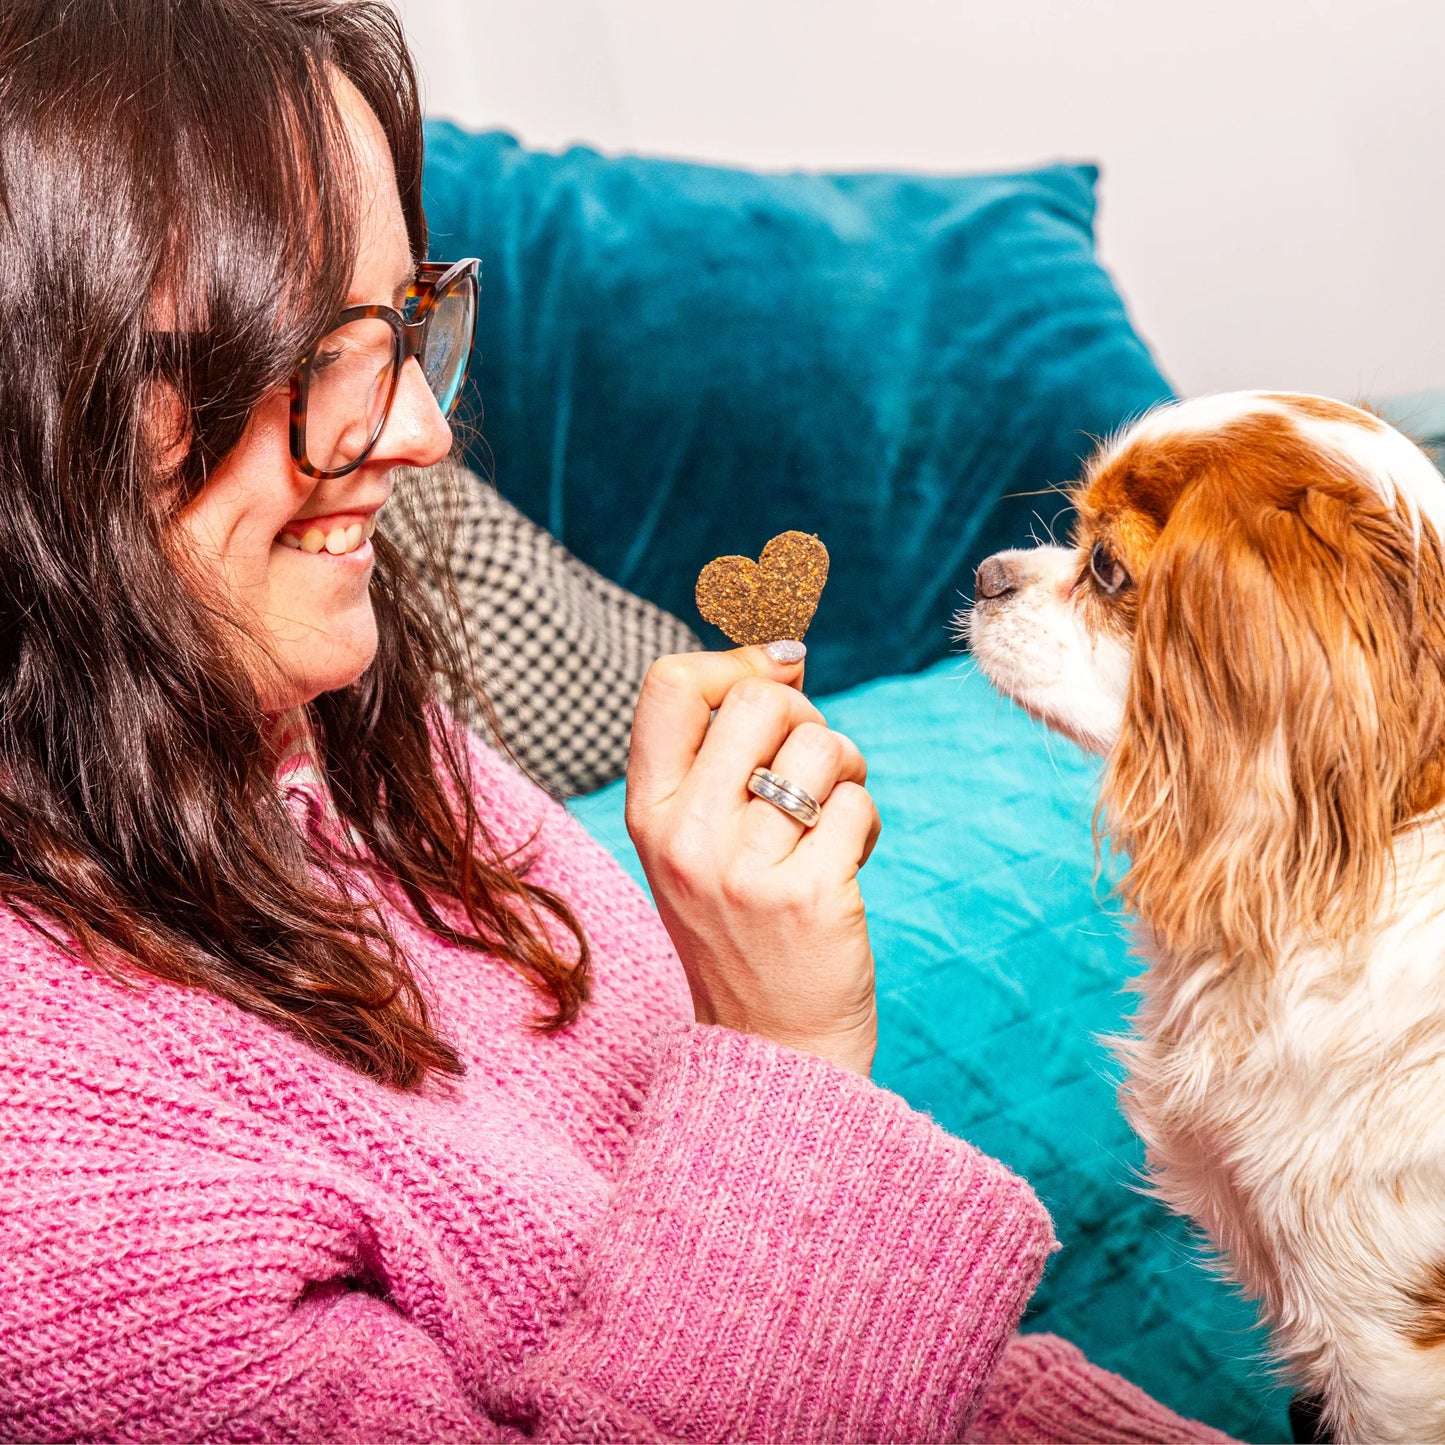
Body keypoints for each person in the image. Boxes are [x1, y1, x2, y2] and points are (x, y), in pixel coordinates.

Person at [0, 2, 1233, 1440]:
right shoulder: (46, 1167)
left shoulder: (343, 737)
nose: (419, 431)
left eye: (404, 322)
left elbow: (948, 1374)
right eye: (306, 352)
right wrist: (781, 1061)